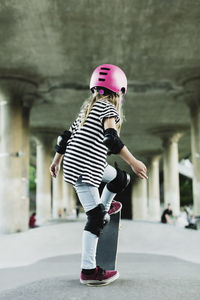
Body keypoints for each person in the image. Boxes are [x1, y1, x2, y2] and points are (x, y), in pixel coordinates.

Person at [49, 64, 148, 285]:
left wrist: (56, 160)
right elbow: (111, 139)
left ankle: (105, 206)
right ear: (120, 91)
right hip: (85, 167)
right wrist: (134, 162)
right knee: (96, 220)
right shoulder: (109, 110)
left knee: (120, 179)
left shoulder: (87, 110)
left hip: (90, 162)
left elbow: (65, 137)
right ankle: (89, 271)